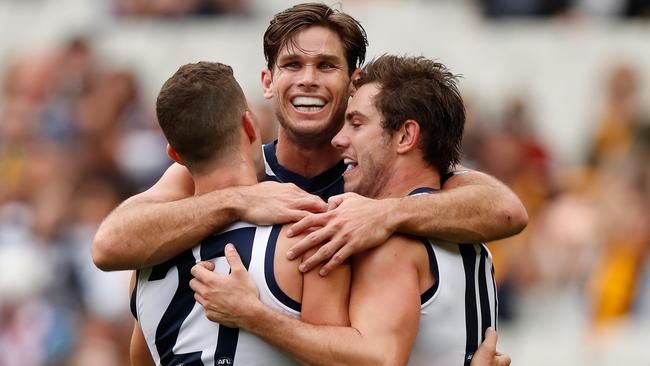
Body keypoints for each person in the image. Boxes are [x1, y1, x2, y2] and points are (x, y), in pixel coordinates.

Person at [91, 2, 527, 274]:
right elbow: (110, 244)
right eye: (292, 65)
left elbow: (506, 211)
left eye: (325, 66)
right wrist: (237, 202)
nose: (308, 81)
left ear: (354, 83)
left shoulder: (382, 172)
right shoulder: (229, 173)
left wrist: (389, 214)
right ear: (267, 81)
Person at [190, 55, 506, 365]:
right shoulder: (466, 234)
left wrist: (251, 314)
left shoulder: (393, 240)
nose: (339, 140)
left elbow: (378, 360)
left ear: (405, 136)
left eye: (356, 123)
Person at [129, 61, 351, 366]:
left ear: (175, 155)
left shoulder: (145, 262)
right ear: (249, 126)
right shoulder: (307, 236)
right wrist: (256, 316)